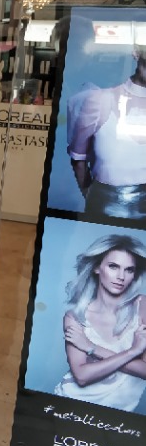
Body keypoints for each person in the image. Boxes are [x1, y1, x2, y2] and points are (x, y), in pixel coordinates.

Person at [55, 234, 146, 412]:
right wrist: (133, 352)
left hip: (118, 414)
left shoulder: (142, 306)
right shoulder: (75, 316)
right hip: (71, 403)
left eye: (129, 270)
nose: (121, 276)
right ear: (97, 267)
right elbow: (82, 377)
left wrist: (92, 348)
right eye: (113, 266)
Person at [67, 32, 146, 220]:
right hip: (108, 205)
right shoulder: (100, 100)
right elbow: (78, 159)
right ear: (136, 52)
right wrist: (93, 197)